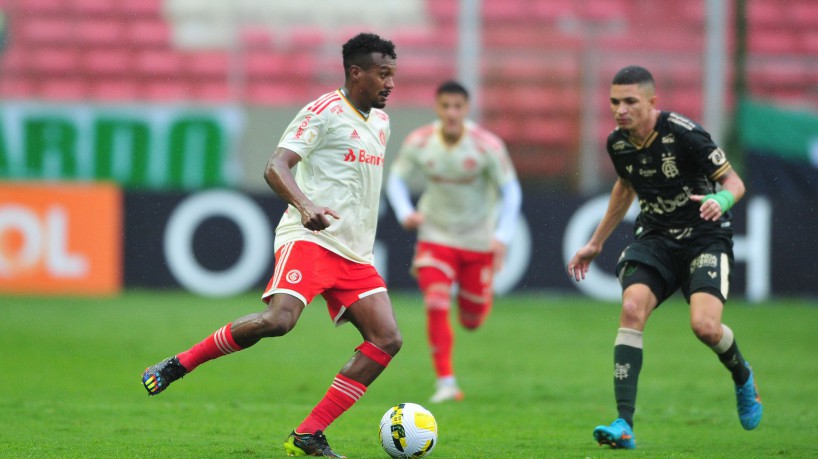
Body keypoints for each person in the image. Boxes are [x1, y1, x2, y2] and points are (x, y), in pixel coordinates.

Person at [141, 32, 400, 458]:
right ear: (356, 73)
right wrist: (305, 205)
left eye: (393, 74)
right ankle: (179, 363)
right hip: (311, 238)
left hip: (355, 253)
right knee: (280, 320)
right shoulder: (324, 112)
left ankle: (307, 435)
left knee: (387, 339)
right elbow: (275, 166)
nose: (390, 83)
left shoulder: (383, 122)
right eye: (383, 74)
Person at [568, 65, 762, 449]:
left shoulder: (685, 134)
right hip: (655, 238)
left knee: (705, 327)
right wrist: (596, 242)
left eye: (630, 101)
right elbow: (625, 187)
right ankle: (624, 424)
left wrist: (719, 200)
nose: (620, 110)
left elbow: (734, 183)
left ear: (652, 102)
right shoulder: (618, 143)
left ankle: (742, 377)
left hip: (705, 238)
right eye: (614, 102)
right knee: (631, 308)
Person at [385, 80, 522, 403]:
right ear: (437, 107)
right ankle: (446, 382)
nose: (451, 113)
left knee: (471, 320)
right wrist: (405, 211)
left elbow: (512, 190)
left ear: (466, 109)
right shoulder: (420, 142)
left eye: (457, 107)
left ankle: (474, 300)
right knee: (435, 301)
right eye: (445, 106)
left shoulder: (487, 145)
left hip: (477, 239)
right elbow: (395, 178)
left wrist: (501, 237)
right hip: (436, 234)